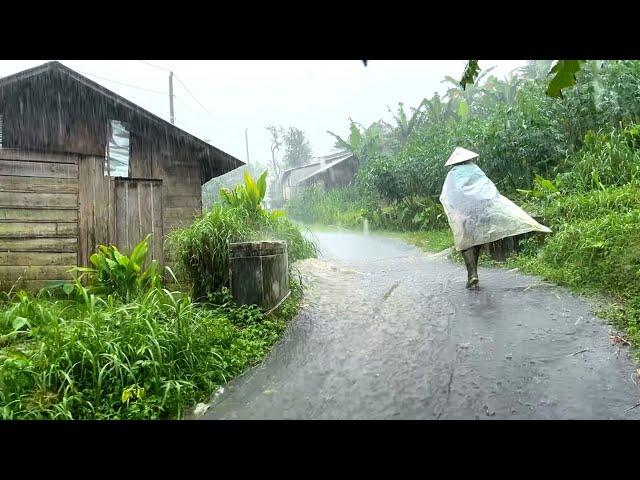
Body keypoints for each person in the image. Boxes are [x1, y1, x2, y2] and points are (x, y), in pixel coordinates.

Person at [439, 147, 551, 289]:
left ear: (454, 162)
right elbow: (487, 187)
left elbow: (449, 196)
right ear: (468, 159)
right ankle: (472, 274)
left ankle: (472, 274)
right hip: (480, 212)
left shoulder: (452, 174)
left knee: (465, 243)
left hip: (463, 214)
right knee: (477, 240)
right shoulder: (475, 170)